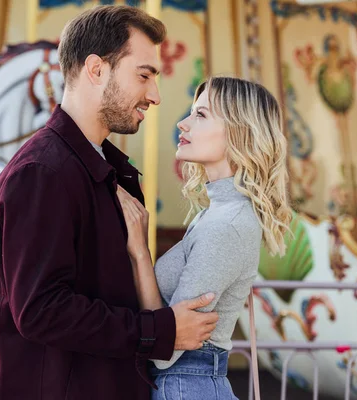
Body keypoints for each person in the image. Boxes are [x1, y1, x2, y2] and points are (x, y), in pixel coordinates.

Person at [0, 5, 220, 400]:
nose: (155, 95)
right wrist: (160, 331)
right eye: (144, 76)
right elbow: (41, 310)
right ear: (96, 69)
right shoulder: (42, 172)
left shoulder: (105, 168)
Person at [117, 76, 293, 399]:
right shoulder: (216, 213)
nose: (183, 124)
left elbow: (165, 349)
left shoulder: (226, 224)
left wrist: (140, 253)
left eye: (200, 115)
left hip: (186, 386)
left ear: (239, 131)